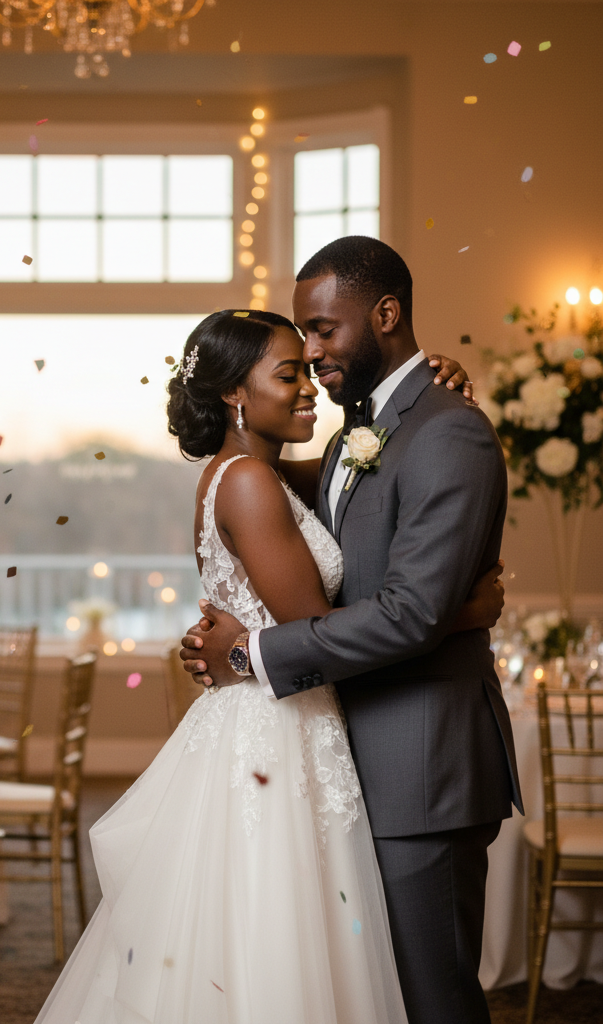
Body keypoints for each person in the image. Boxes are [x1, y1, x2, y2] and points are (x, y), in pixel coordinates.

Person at [33, 307, 500, 1023]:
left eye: (311, 370)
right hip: (277, 734)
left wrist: (434, 390)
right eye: (289, 374)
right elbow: (314, 629)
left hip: (286, 718)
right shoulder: (249, 481)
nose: (310, 385)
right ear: (233, 394)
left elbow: (367, 473)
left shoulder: (265, 474)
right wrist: (457, 613)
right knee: (273, 935)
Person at [182, 237, 523, 1024]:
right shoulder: (349, 439)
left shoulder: (448, 431)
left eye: (324, 331)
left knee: (433, 997)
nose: (312, 352)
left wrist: (251, 651)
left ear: (387, 314)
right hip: (350, 757)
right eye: (299, 342)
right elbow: (265, 497)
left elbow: (411, 613)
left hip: (422, 766)